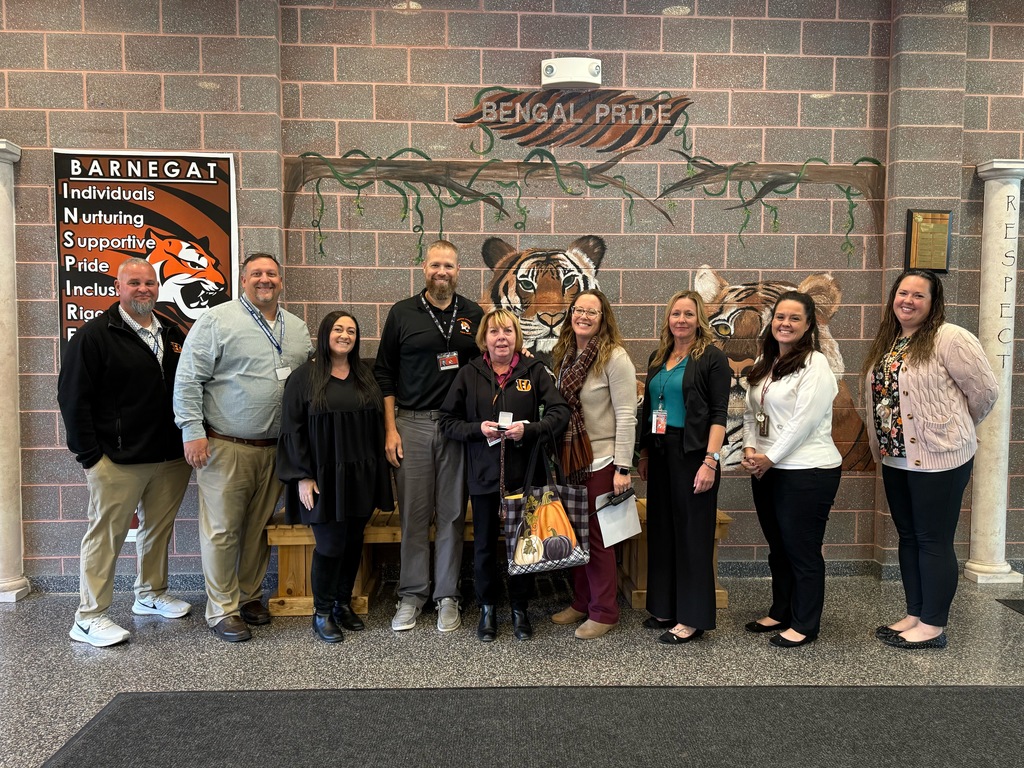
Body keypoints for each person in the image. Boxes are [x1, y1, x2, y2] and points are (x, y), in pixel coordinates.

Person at [173, 253, 312, 642]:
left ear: (281, 281)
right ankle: (221, 609)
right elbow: (187, 380)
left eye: (271, 274)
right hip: (225, 445)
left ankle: (249, 597)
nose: (264, 280)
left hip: (276, 448)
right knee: (221, 530)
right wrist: (191, 430)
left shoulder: (298, 329)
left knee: (256, 528)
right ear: (242, 279)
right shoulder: (217, 321)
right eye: (256, 274)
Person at [58, 258, 194, 647]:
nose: (143, 289)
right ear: (118, 286)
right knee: (107, 535)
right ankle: (89, 616)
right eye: (134, 282)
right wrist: (90, 457)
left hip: (169, 456)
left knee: (157, 530)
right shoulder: (94, 336)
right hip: (116, 460)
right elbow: (71, 399)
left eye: (150, 283)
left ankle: (149, 595)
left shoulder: (171, 333)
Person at [864, 269, 997, 650]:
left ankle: (933, 625)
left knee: (933, 540)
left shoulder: (950, 338)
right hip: (896, 457)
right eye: (902, 293)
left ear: (933, 302)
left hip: (940, 458)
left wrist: (952, 428)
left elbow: (985, 392)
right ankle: (915, 612)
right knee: (908, 537)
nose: (908, 300)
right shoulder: (891, 340)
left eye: (918, 295)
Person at [439, 310, 570, 642]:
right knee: (483, 545)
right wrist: (476, 429)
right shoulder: (470, 373)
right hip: (483, 476)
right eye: (494, 331)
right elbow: (447, 420)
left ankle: (520, 609)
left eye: (508, 331)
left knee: (525, 545)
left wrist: (530, 429)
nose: (501, 337)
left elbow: (560, 412)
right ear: (484, 337)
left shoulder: (533, 371)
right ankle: (487, 609)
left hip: (525, 476)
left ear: (517, 337)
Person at [375, 240, 484, 632]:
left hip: (457, 427)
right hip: (413, 423)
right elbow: (384, 374)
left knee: (453, 514)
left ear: (458, 270)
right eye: (436, 264)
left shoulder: (473, 313)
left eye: (449, 266)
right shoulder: (403, 313)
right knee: (415, 516)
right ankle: (412, 594)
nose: (443, 272)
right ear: (424, 268)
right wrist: (390, 429)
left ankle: (448, 595)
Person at [277, 311, 394, 643]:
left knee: (353, 540)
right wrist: (302, 476)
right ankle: (322, 612)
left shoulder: (364, 374)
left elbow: (375, 422)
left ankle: (343, 604)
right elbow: (292, 430)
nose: (345, 335)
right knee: (329, 545)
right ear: (325, 333)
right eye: (339, 329)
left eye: (352, 331)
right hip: (323, 477)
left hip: (360, 474)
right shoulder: (304, 378)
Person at [741, 291, 842, 649]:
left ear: (808, 325)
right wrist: (751, 449)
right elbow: (753, 412)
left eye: (794, 318)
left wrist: (770, 457)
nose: (785, 324)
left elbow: (803, 421)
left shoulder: (815, 364)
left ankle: (805, 622)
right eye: (780, 317)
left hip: (807, 471)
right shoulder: (764, 362)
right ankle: (781, 609)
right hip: (768, 469)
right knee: (778, 547)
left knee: (802, 550)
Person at [637, 291, 730, 645]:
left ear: (699, 319)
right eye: (676, 313)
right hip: (660, 453)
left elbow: (720, 414)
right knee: (662, 529)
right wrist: (644, 453)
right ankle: (664, 606)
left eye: (688, 314)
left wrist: (711, 461)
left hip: (694, 454)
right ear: (668, 318)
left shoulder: (712, 358)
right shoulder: (658, 356)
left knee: (692, 535)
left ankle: (692, 617)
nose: (681, 320)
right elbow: (649, 410)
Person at [550, 289, 637, 639]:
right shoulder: (567, 354)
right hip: (572, 461)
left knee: (599, 540)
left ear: (604, 319)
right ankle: (582, 602)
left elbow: (627, 415)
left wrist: (623, 468)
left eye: (593, 312)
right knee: (576, 537)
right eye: (579, 309)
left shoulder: (615, 357)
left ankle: (605, 611)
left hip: (602, 461)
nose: (584, 316)